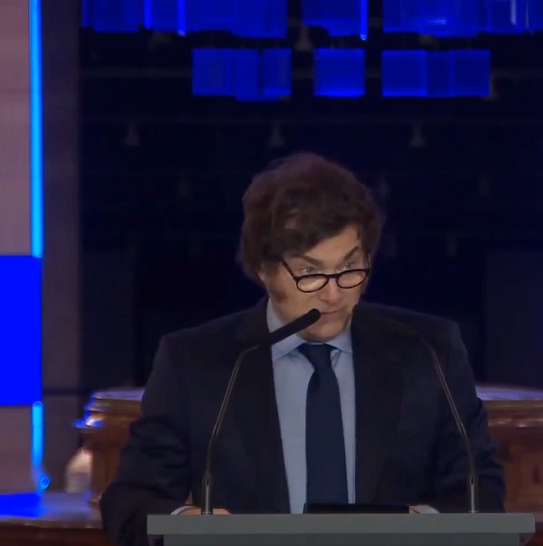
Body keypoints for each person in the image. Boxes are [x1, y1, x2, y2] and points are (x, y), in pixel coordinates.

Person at [100, 152, 506, 546]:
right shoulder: (197, 362)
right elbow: (131, 501)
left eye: (349, 267)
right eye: (310, 272)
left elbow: (481, 491)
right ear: (264, 268)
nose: (333, 294)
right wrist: (187, 524)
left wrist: (421, 526)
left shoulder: (428, 351)